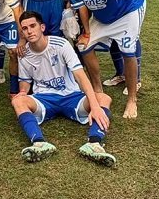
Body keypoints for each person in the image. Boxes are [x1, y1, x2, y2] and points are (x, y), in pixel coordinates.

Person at [11, 11, 116, 166]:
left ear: (42, 27)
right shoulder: (24, 54)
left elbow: (80, 76)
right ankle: (39, 143)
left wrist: (95, 106)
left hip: (71, 96)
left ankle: (94, 144)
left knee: (103, 99)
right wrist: (22, 92)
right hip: (44, 99)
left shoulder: (61, 44)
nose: (29, 31)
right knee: (17, 101)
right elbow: (25, 82)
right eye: (25, 28)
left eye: (33, 26)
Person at [62, 0, 146, 119]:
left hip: (127, 10)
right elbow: (81, 6)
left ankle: (132, 99)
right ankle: (97, 90)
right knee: (83, 46)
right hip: (103, 15)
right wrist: (86, 32)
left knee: (128, 50)